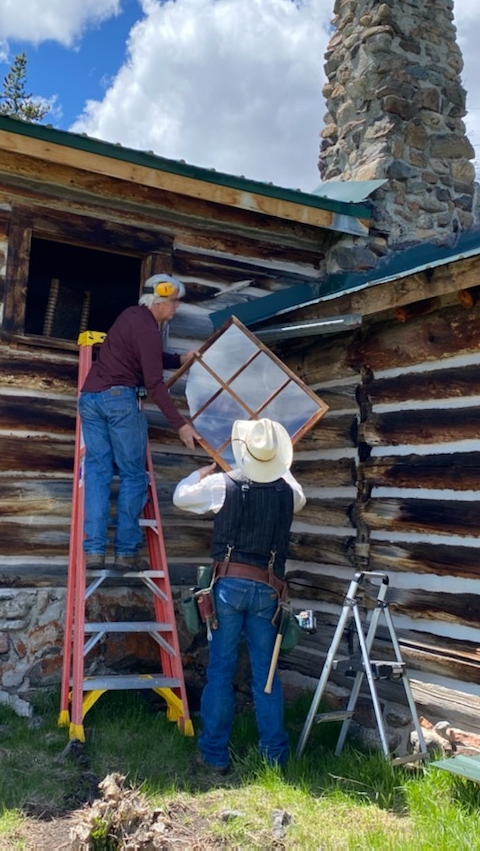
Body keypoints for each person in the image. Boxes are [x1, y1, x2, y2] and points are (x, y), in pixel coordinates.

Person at [172, 417, 305, 773]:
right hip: (268, 590)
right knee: (267, 675)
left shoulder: (221, 485)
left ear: (243, 450)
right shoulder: (289, 493)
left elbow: (180, 498)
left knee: (220, 671)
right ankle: (274, 758)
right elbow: (295, 488)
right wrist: (280, 464)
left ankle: (215, 754)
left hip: (228, 587)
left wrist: (198, 474)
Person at [79, 273, 198, 572]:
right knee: (133, 475)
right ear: (158, 302)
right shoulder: (148, 329)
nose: (176, 308)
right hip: (119, 399)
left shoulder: (131, 317)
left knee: (97, 472)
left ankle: (94, 551)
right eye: (174, 303)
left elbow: (148, 358)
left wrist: (180, 358)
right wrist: (181, 424)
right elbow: (155, 383)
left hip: (90, 398)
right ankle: (126, 552)